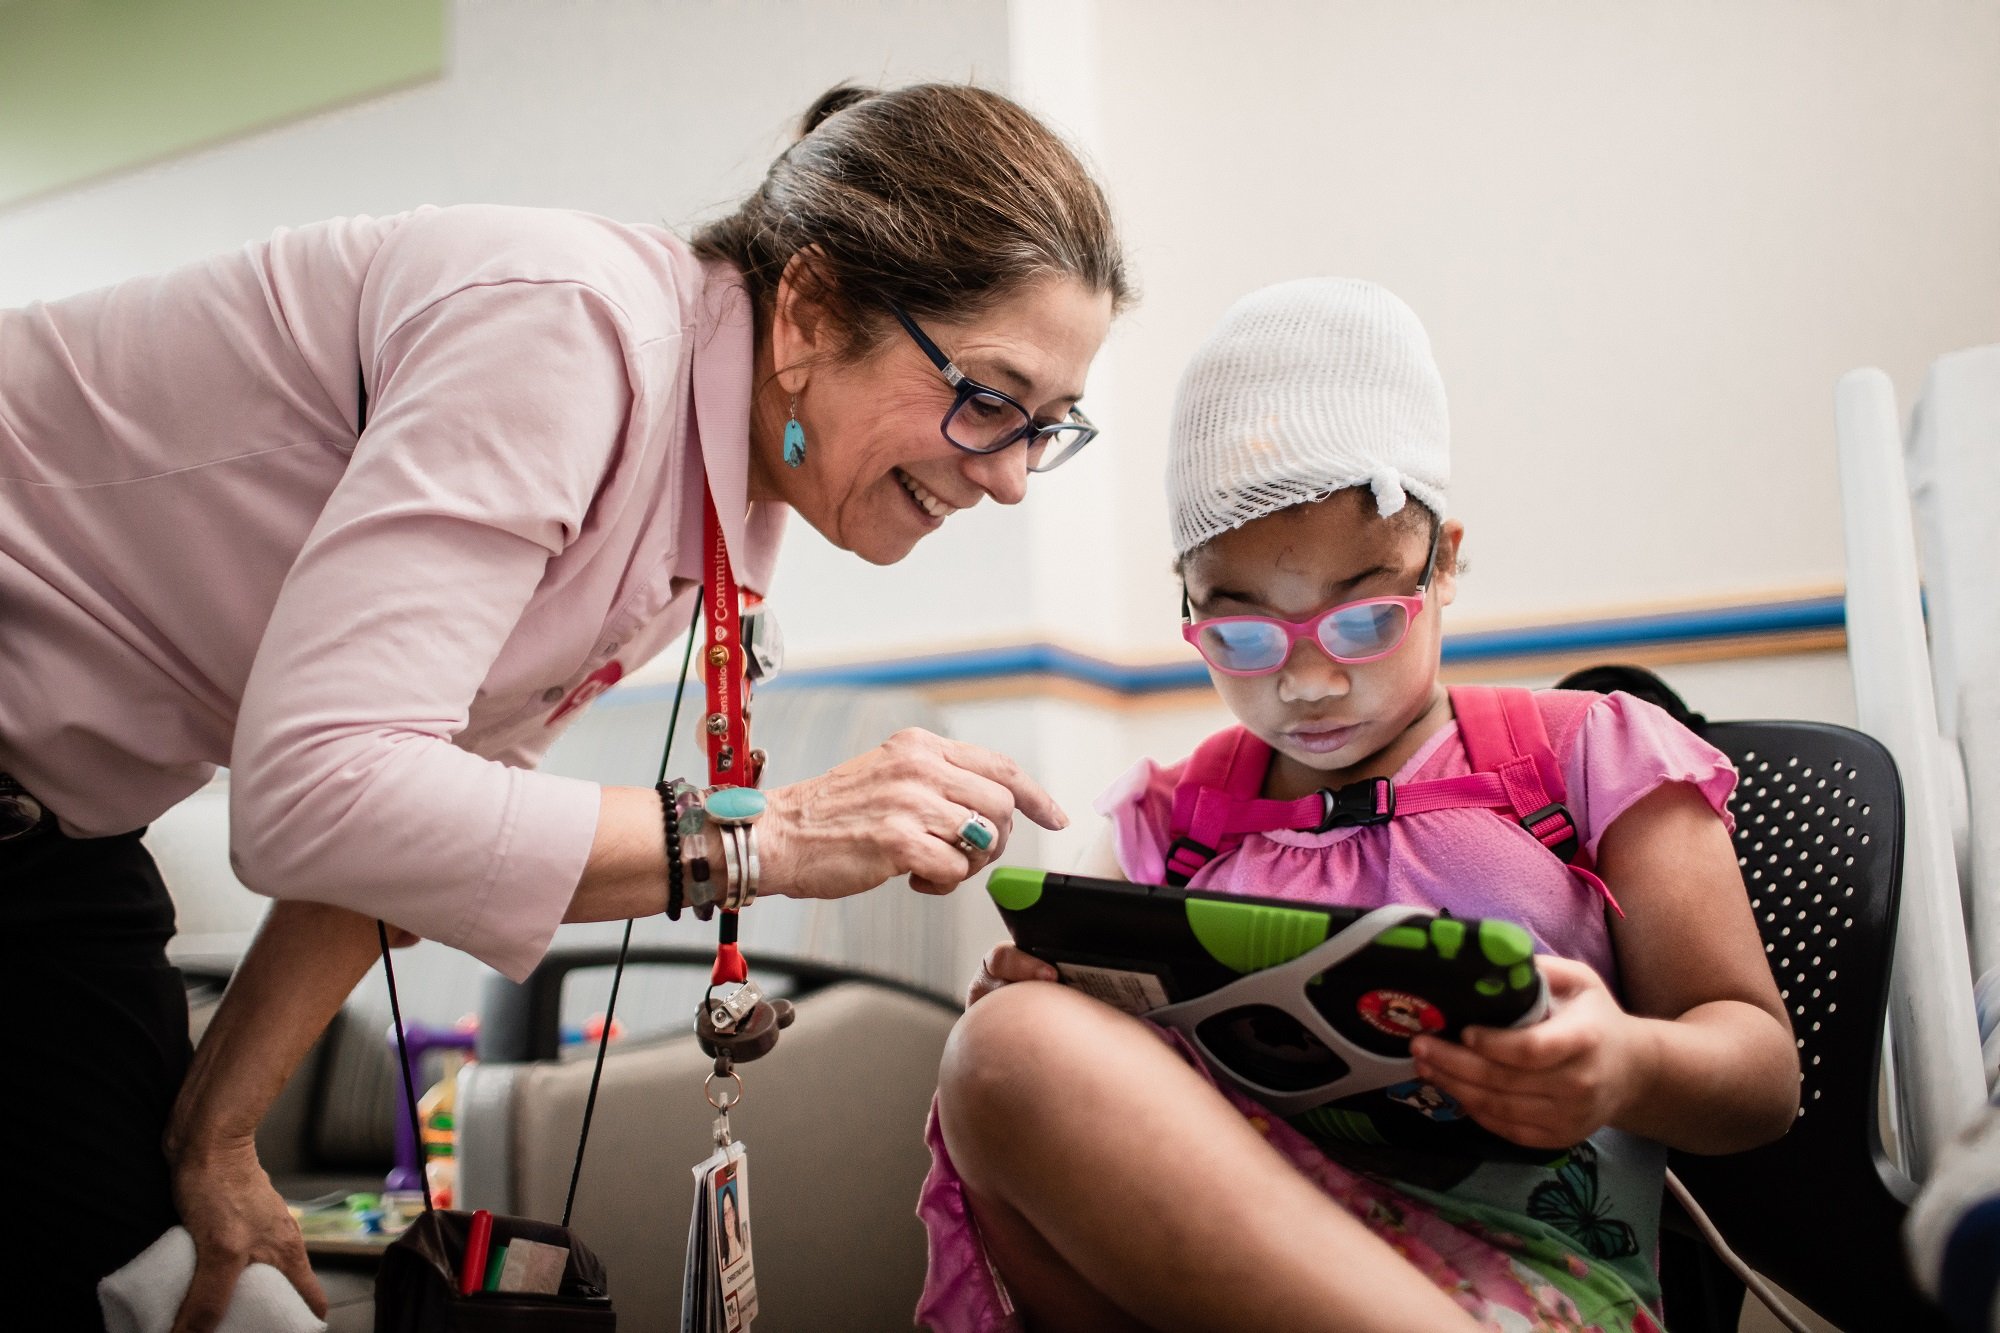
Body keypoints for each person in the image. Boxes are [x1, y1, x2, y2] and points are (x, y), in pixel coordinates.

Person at [0, 82, 1128, 1332]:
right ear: (810, 308)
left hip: (58, 836)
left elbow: (393, 840)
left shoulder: (712, 509)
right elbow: (316, 796)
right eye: (988, 398)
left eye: (1047, 428)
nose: (1013, 480)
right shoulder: (569, 331)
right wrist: (768, 837)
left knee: (184, 1282)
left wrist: (216, 1139)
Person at [919, 279, 1799, 1332]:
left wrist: (1626, 1063)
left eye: (1364, 620)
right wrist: (1062, 1008)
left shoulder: (1584, 760)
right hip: (1235, 1268)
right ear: (1188, 604)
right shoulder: (1175, 821)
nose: (1308, 683)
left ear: (1445, 565)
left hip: (1516, 1288)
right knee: (1002, 1046)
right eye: (1243, 636)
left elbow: (1761, 1075)